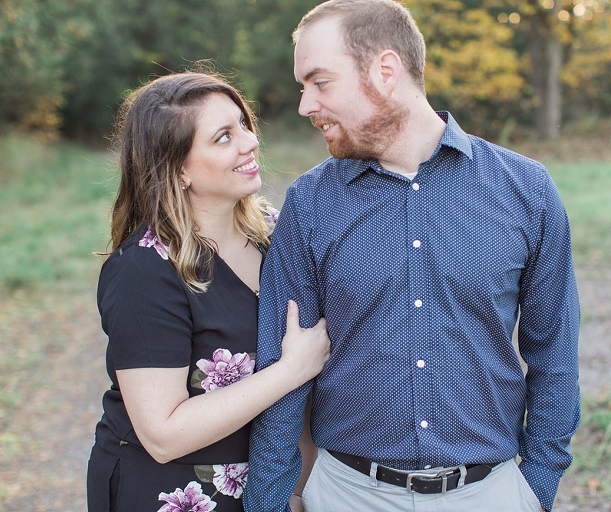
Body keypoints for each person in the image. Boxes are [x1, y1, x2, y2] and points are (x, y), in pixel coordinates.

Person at [244, 1, 580, 511]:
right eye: (302, 86)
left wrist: (535, 488)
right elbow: (282, 367)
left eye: (320, 82)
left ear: (385, 71)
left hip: (489, 495)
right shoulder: (311, 203)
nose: (305, 105)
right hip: (347, 494)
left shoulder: (525, 189)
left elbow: (553, 352)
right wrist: (266, 503)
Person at [86, 70, 331, 512]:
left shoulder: (276, 234)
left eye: (243, 124)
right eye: (223, 137)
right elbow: (163, 435)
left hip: (264, 483)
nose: (249, 141)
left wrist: (297, 488)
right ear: (178, 168)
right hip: (169, 491)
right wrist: (291, 370)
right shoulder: (143, 269)